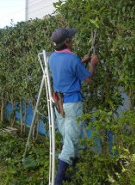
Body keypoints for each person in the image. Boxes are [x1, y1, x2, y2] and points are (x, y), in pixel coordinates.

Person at [49, 28, 99, 185]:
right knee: (70, 142)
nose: (73, 40)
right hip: (72, 104)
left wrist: (81, 62)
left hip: (59, 103)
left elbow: (67, 71)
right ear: (67, 42)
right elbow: (89, 78)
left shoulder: (52, 58)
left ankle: (66, 174)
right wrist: (92, 64)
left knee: (67, 137)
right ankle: (57, 181)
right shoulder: (72, 59)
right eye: (71, 38)